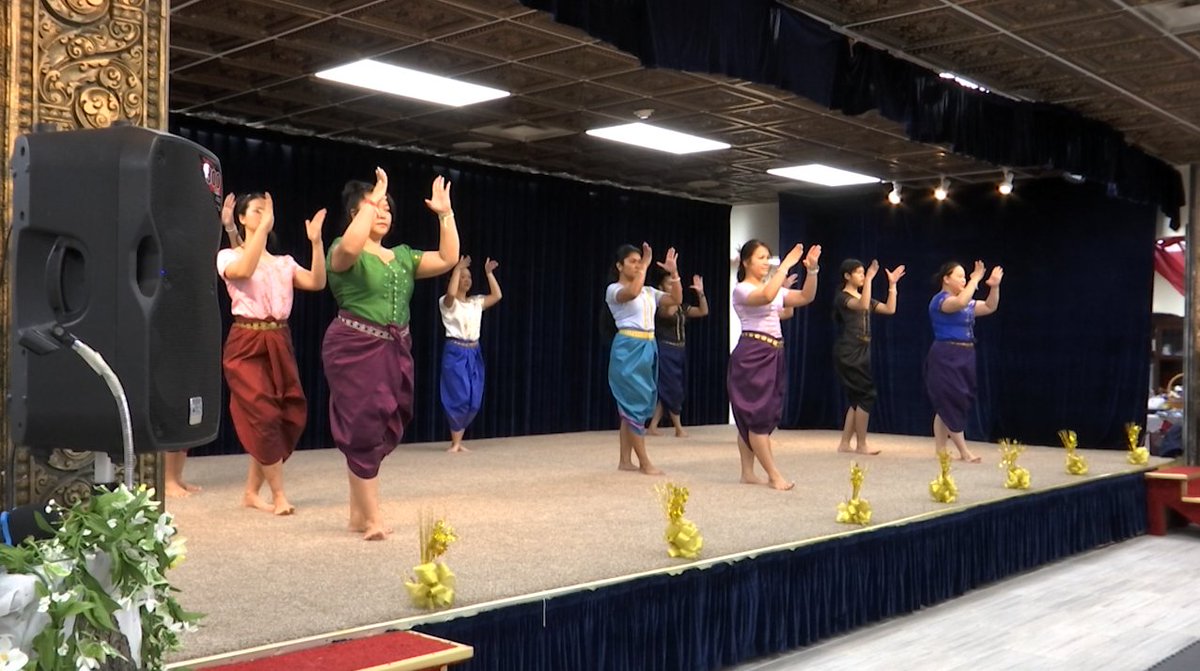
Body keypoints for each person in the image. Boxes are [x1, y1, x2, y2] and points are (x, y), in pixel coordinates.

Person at [322, 168, 459, 540]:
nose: (383, 213)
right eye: (374, 207)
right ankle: (372, 518)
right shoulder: (340, 249)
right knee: (363, 426)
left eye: (387, 208)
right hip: (354, 346)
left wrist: (445, 214)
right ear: (356, 214)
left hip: (394, 349)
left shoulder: (402, 257)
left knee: (379, 425)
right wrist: (375, 192)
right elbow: (350, 248)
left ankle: (356, 513)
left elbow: (448, 257)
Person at [216, 192, 326, 515]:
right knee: (262, 414)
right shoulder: (228, 256)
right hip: (246, 341)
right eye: (257, 210)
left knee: (281, 415)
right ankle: (279, 495)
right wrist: (261, 231)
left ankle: (251, 492)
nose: (265, 214)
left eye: (267, 211)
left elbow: (317, 282)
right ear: (242, 218)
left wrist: (316, 243)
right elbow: (244, 270)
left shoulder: (284, 263)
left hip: (279, 339)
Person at [728, 239, 821, 490]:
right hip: (752, 353)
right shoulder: (742, 289)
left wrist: (811, 270)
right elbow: (766, 295)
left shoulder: (774, 289)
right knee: (756, 415)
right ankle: (773, 475)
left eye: (768, 257)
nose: (765, 262)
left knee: (756, 415)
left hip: (773, 353)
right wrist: (786, 265)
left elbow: (805, 296)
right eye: (760, 257)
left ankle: (747, 472)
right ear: (746, 261)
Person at [606, 243, 682, 475]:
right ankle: (644, 462)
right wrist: (646, 266)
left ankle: (624, 460)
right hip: (628, 347)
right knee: (633, 404)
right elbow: (631, 293)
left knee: (633, 405)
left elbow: (675, 299)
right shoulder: (614, 289)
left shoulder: (649, 291)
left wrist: (674, 274)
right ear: (619, 265)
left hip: (648, 346)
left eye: (640, 261)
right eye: (633, 261)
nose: (638, 265)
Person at [925, 260, 1002, 463]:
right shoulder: (940, 301)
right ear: (946, 279)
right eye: (960, 276)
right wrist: (976, 278)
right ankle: (963, 451)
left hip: (965, 355)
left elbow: (989, 306)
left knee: (949, 403)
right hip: (946, 354)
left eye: (965, 276)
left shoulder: (965, 301)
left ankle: (940, 451)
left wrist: (994, 287)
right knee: (950, 399)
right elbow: (958, 303)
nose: (964, 279)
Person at [833, 259, 904, 456]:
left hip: (862, 350)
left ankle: (845, 443)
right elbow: (863, 304)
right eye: (859, 273)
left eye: (865, 273)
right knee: (867, 395)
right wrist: (872, 279)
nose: (863, 276)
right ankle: (861, 444)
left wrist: (892, 285)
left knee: (857, 399)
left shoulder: (863, 295)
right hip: (849, 350)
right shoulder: (843, 297)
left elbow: (890, 309)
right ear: (847, 276)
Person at [439, 255, 502, 453]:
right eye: (463, 277)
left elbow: (497, 295)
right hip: (455, 351)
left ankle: (459, 439)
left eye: (469, 277)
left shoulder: (475, 302)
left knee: (474, 397)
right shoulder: (447, 303)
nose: (467, 280)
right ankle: (455, 442)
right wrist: (457, 269)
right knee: (459, 395)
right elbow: (451, 294)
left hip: (474, 351)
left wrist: (489, 274)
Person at [647, 273, 708, 437]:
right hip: (666, 349)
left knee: (669, 389)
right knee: (673, 388)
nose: (672, 287)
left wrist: (700, 293)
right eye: (668, 284)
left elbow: (703, 311)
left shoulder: (682, 307)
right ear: (660, 288)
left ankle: (653, 426)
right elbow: (668, 313)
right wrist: (675, 294)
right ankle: (678, 427)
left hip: (680, 350)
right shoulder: (660, 307)